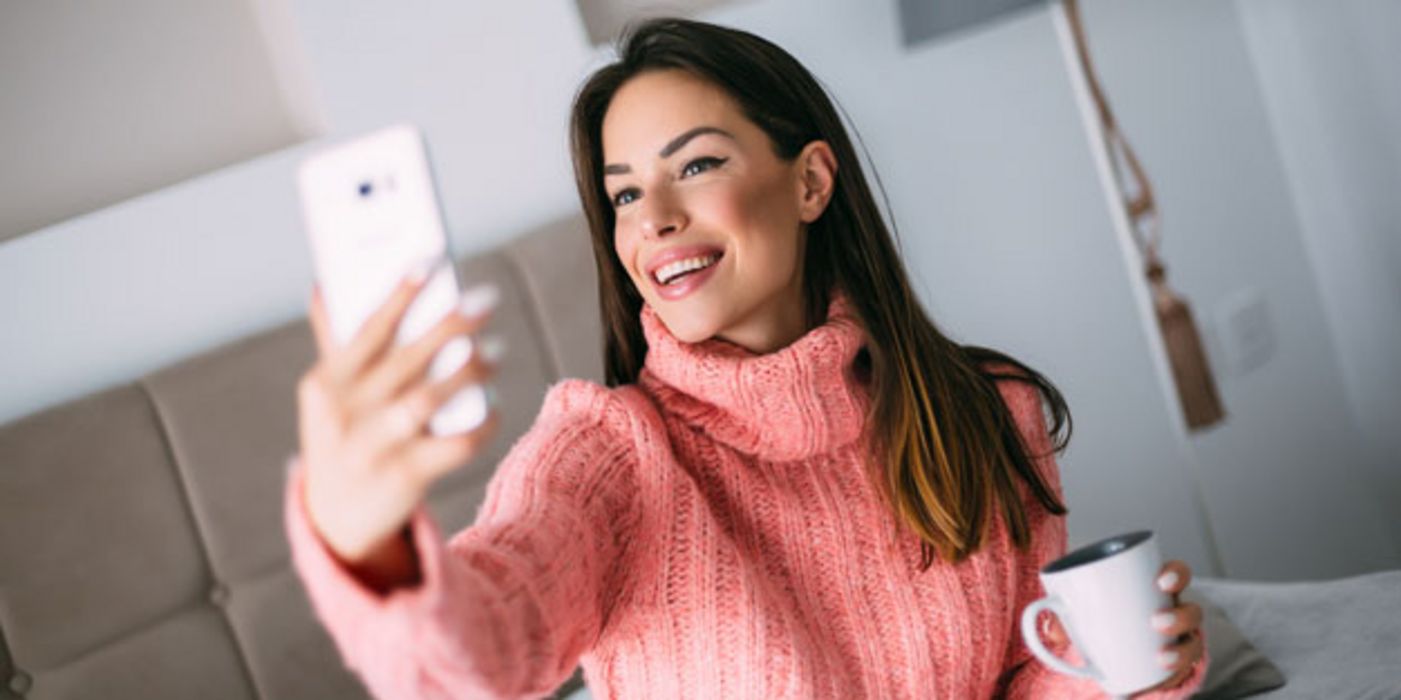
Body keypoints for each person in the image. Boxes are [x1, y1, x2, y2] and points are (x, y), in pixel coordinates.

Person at [284, 17, 1209, 699]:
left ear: (809, 181)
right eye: (623, 195)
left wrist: (1122, 672)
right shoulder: (607, 454)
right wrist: (363, 542)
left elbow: (1021, 672)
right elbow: (482, 652)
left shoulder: (985, 410)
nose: (653, 220)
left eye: (694, 167)